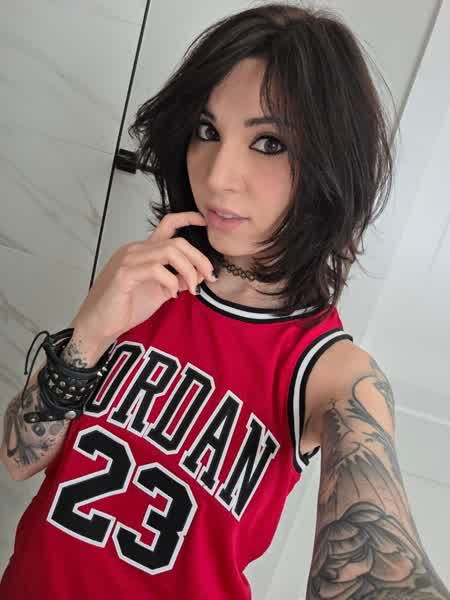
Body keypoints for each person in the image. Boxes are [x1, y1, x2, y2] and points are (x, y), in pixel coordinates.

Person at [1, 2, 449, 599]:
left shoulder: (330, 373)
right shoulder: (148, 277)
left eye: (269, 142)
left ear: (330, 166)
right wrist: (90, 331)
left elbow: (382, 570)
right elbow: (19, 457)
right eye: (208, 132)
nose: (216, 177)